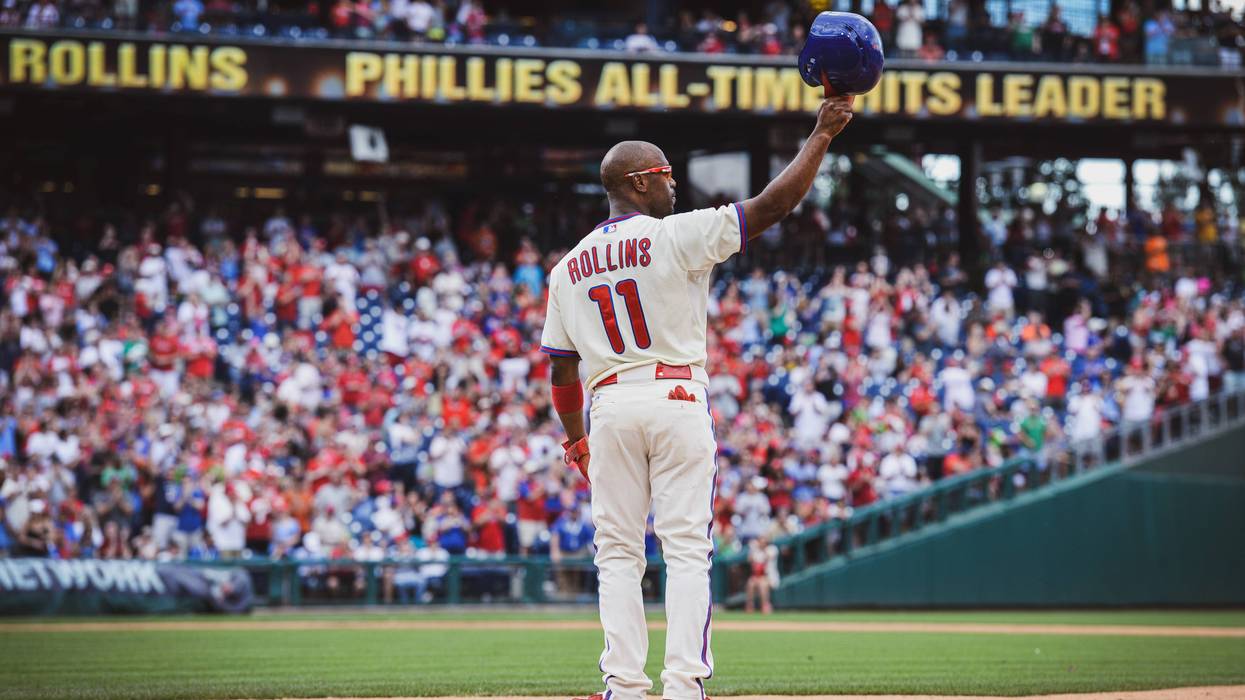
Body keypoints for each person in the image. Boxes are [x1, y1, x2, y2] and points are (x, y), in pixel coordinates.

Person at [541, 95, 854, 700]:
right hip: (675, 395)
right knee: (686, 550)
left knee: (617, 556)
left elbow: (561, 372)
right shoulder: (675, 236)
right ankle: (683, 686)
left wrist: (575, 437)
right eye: (664, 175)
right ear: (638, 182)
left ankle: (624, 687)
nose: (674, 186)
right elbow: (772, 206)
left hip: (607, 408)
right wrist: (820, 136)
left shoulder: (566, 268)